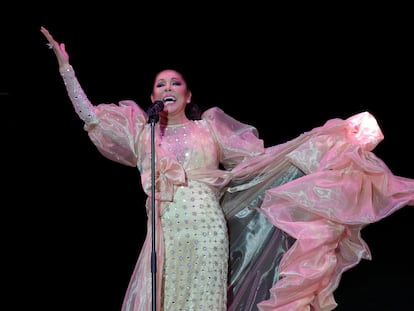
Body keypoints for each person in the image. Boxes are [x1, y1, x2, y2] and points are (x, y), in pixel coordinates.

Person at [40, 26, 414, 311]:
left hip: (206, 229)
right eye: (160, 84)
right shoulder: (144, 133)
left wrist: (313, 140)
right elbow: (91, 117)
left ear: (187, 94)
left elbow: (260, 160)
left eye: (175, 82)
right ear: (152, 97)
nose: (167, 87)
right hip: (166, 229)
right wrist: (66, 69)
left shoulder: (210, 129)